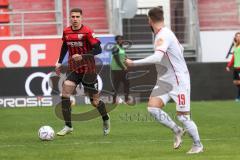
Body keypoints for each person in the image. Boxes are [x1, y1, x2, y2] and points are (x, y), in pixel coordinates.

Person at [125, 7, 203, 154]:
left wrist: (133, 63)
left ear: (149, 20)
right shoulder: (167, 33)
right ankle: (177, 130)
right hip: (165, 81)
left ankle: (198, 145)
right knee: (153, 108)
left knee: (184, 117)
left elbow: (157, 57)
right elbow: (180, 49)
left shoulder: (163, 35)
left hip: (179, 82)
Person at [55, 8, 110, 136]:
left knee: (94, 102)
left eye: (77, 17)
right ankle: (68, 126)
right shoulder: (66, 31)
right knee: (64, 94)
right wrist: (59, 61)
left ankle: (106, 118)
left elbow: (98, 50)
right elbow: (64, 46)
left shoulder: (88, 32)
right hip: (73, 69)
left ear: (81, 18)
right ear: (70, 18)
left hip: (88, 70)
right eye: (72, 16)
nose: (75, 19)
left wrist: (82, 56)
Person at [110, 35, 130, 104]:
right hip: (116, 69)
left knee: (127, 83)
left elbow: (123, 57)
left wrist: (127, 59)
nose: (121, 40)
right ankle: (114, 100)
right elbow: (117, 59)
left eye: (121, 39)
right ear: (116, 41)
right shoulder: (115, 48)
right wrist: (123, 67)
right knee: (116, 85)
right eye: (119, 39)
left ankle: (127, 99)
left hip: (123, 69)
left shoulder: (122, 48)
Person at [226, 32, 240, 101]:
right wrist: (229, 65)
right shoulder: (235, 47)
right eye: (237, 36)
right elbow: (233, 57)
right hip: (236, 67)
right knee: (235, 82)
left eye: (239, 36)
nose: (238, 37)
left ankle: (238, 97)